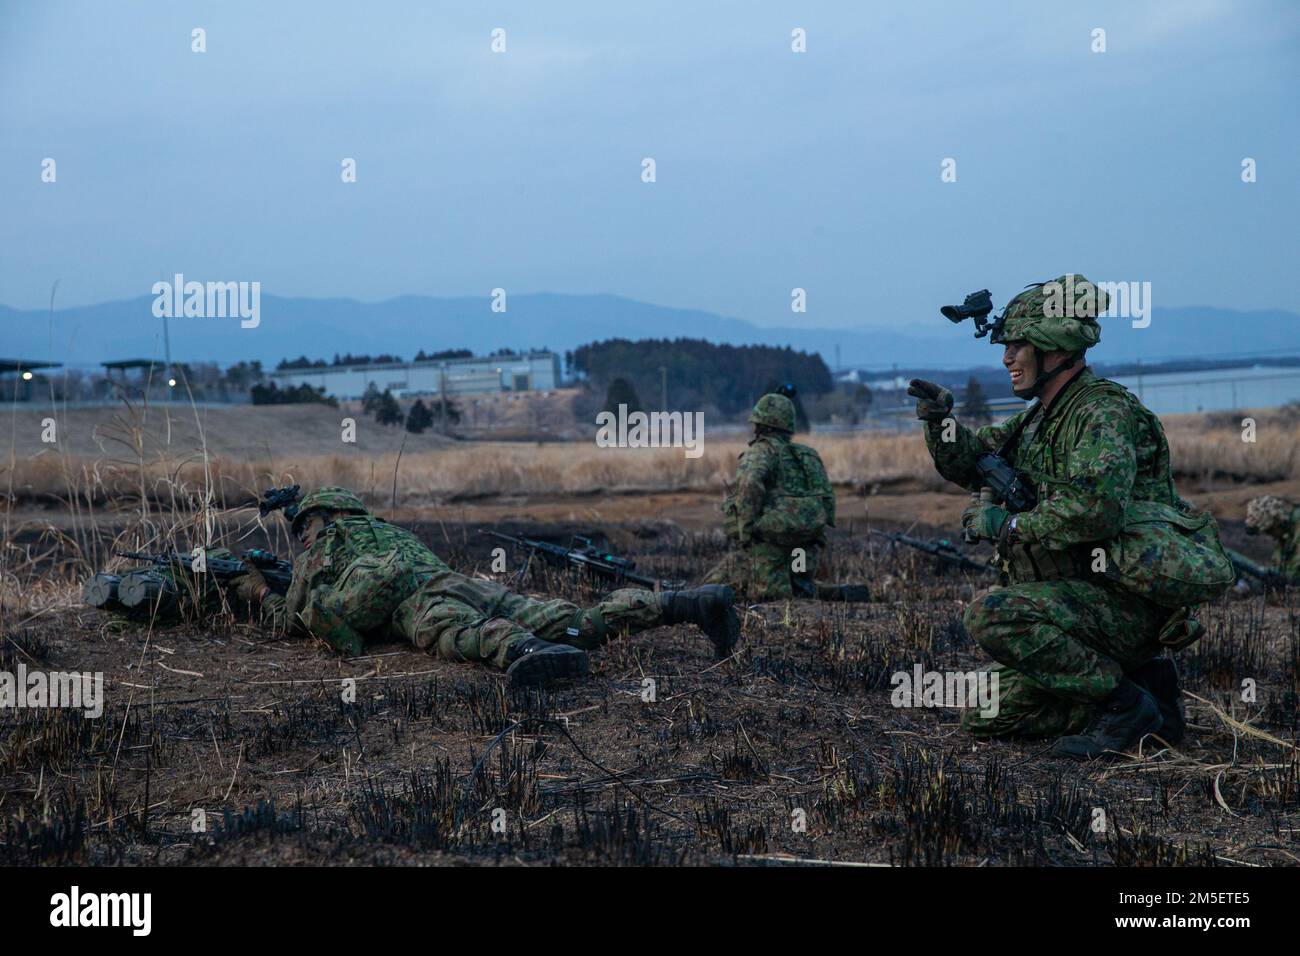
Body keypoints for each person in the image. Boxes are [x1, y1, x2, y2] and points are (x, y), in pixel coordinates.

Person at [908, 275, 1232, 759]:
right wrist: (941, 424)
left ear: (1053, 347)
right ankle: (1147, 693)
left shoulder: (1101, 412)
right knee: (985, 709)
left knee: (991, 615)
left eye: (1018, 346)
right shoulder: (1039, 417)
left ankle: (1123, 705)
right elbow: (975, 461)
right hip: (1077, 608)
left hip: (1120, 602)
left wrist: (1010, 526)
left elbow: (1095, 510)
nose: (1006, 359)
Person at [231, 487, 740, 687]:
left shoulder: (324, 541)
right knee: (565, 617)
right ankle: (684, 603)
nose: (300, 536)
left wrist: (258, 588)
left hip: (419, 602)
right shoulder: (387, 529)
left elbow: (291, 622)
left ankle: (527, 651)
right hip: (454, 579)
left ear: (318, 517)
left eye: (303, 527)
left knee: (460, 636)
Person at [704, 393, 868, 602]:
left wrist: (746, 532)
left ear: (762, 425)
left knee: (760, 593)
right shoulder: (806, 456)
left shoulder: (760, 452)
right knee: (800, 586)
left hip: (770, 548)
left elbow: (749, 486)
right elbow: (827, 497)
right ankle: (827, 592)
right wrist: (817, 535)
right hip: (805, 548)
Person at [1242, 494, 1300, 581]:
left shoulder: (1296, 527)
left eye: (1269, 531)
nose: (1270, 535)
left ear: (1276, 523)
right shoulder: (1284, 539)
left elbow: (1293, 571)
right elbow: (1277, 566)